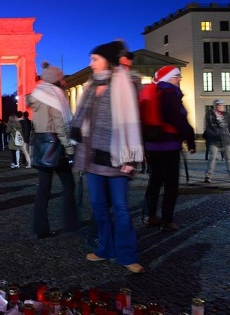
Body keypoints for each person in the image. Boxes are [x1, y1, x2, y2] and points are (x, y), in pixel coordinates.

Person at [70, 41, 145, 273]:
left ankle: (127, 255)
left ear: (107, 60)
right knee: (99, 208)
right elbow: (80, 119)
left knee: (121, 209)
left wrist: (130, 158)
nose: (90, 64)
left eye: (95, 59)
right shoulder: (92, 85)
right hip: (92, 157)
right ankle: (105, 249)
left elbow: (133, 122)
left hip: (116, 158)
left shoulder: (125, 83)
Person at [26, 61, 77, 238]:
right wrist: (70, 149)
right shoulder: (55, 96)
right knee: (69, 185)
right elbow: (60, 126)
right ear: (56, 80)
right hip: (56, 146)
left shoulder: (37, 95)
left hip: (41, 144)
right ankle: (71, 225)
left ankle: (39, 230)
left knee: (43, 189)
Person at [143, 65, 196, 231]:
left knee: (154, 181)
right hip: (169, 145)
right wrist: (190, 138)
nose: (180, 79)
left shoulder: (154, 93)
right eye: (177, 76)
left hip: (152, 145)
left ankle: (150, 216)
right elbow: (179, 119)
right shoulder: (171, 94)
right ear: (169, 78)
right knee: (171, 185)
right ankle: (167, 220)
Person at [202, 99, 230, 183]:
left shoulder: (226, 115)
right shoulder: (210, 115)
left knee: (228, 159)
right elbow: (208, 127)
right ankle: (208, 176)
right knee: (213, 158)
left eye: (222, 105)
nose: (221, 106)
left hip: (226, 139)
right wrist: (212, 136)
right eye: (219, 105)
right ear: (215, 106)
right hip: (214, 140)